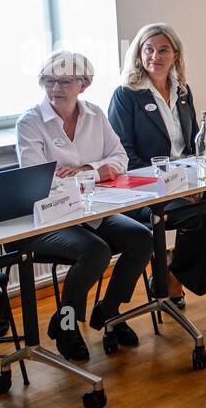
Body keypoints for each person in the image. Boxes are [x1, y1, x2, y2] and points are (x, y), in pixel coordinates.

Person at [14, 51, 153, 360]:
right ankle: (66, 325)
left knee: (142, 238)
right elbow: (40, 181)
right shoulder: (30, 123)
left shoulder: (94, 114)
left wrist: (85, 170)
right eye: (48, 81)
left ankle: (110, 311)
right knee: (96, 251)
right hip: (49, 218)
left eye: (64, 81)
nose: (55, 89)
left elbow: (120, 159)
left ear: (84, 84)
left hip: (92, 211)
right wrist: (94, 172)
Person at [107, 23, 206, 306]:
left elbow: (195, 144)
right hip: (147, 190)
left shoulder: (182, 91)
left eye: (163, 50)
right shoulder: (126, 95)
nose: (155, 57)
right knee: (199, 222)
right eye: (148, 50)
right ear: (138, 54)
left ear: (175, 56)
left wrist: (197, 181)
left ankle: (172, 270)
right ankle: (172, 282)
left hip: (187, 181)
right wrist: (173, 187)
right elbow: (126, 157)